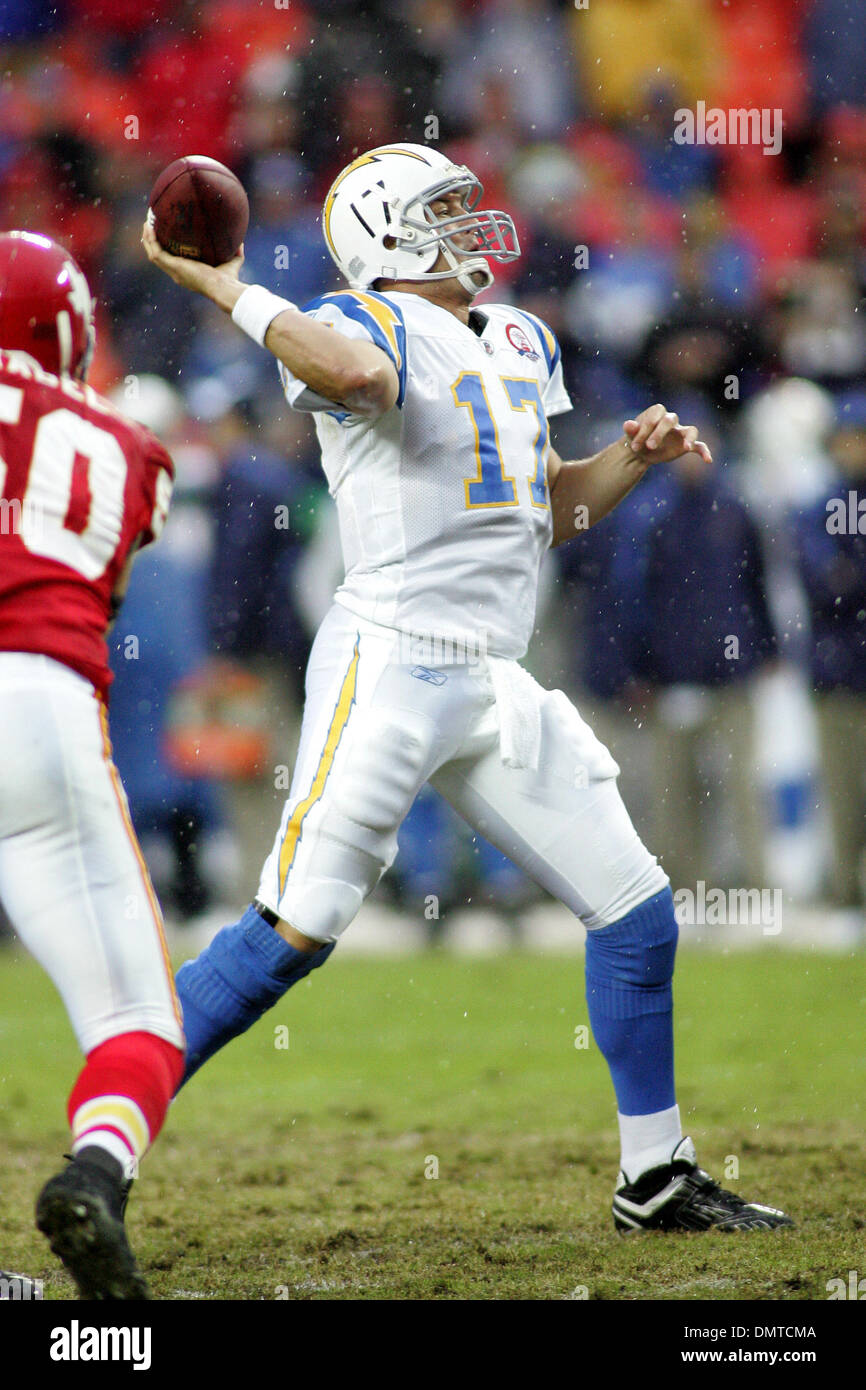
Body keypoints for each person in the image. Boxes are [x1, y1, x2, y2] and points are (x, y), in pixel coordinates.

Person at [143, 143, 792, 1233]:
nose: (471, 224)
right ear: (385, 234)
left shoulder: (519, 338)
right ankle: (96, 1146)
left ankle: (654, 1174)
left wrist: (624, 463)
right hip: (388, 659)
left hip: (492, 672)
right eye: (442, 211)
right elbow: (354, 380)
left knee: (634, 912)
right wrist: (219, 281)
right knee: (284, 939)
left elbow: (543, 509)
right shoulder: (361, 324)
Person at [0, 231, 185, 1297]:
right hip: (41, 709)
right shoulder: (126, 444)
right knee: (134, 1023)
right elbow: (95, 580)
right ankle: (95, 1172)